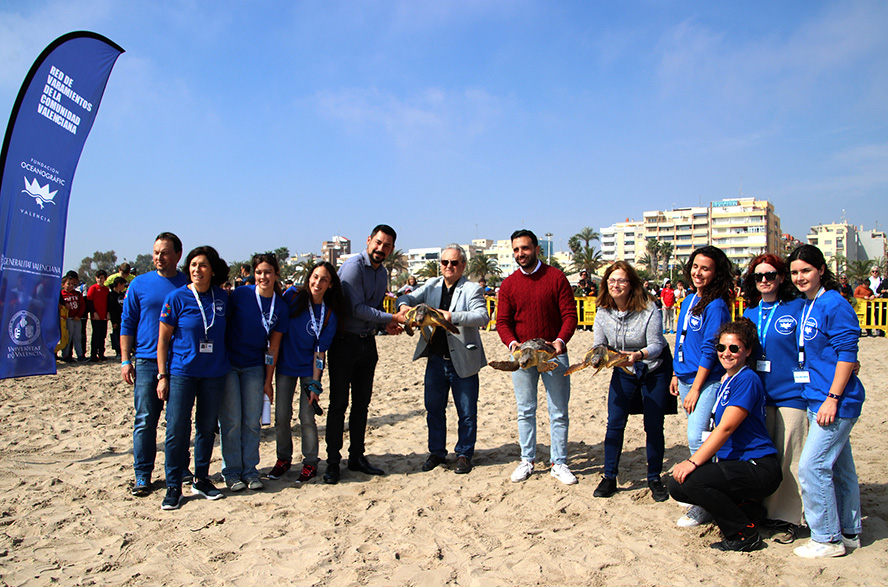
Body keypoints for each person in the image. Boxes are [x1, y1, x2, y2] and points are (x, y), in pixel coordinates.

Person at [669, 319, 782, 552]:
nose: (726, 353)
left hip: (757, 465)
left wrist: (692, 461)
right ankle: (746, 509)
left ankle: (743, 533)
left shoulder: (747, 379)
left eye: (734, 348)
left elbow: (726, 428)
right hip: (737, 463)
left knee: (693, 480)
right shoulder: (728, 379)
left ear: (747, 351)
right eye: (721, 348)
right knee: (678, 486)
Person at [788, 245, 866, 558]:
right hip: (815, 395)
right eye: (794, 272)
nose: (800, 277)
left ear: (821, 269)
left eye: (805, 270)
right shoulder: (807, 303)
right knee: (840, 468)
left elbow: (848, 354)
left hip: (834, 401)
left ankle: (827, 538)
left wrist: (833, 398)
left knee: (812, 466)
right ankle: (849, 531)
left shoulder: (834, 302)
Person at [323, 224, 407, 484]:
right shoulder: (353, 266)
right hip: (344, 343)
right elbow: (356, 308)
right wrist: (392, 316)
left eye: (387, 246)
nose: (381, 249)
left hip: (367, 344)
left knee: (361, 404)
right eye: (378, 243)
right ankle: (333, 461)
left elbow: (376, 307)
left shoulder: (381, 273)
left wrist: (386, 323)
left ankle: (357, 456)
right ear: (369, 240)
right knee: (338, 404)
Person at [397, 244, 489, 474]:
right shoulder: (431, 285)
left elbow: (482, 316)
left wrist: (452, 316)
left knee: (466, 412)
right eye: (445, 262)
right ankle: (436, 452)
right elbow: (407, 295)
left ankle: (464, 454)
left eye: (454, 262)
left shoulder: (472, 289)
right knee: (433, 409)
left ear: (463, 265)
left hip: (464, 360)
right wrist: (404, 305)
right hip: (436, 360)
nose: (448, 266)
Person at [496, 229, 578, 485]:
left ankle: (559, 462)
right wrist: (512, 344)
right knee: (526, 410)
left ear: (537, 249)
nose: (521, 254)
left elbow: (569, 316)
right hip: (522, 357)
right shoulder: (509, 284)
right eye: (517, 249)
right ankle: (527, 459)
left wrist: (560, 342)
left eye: (525, 248)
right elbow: (502, 322)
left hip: (553, 354)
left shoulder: (556, 278)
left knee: (558, 411)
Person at [590, 261, 672, 502]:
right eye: (611, 280)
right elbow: (599, 344)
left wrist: (638, 356)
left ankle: (654, 478)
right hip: (623, 369)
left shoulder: (649, 309)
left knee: (653, 425)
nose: (616, 285)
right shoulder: (603, 312)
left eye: (621, 280)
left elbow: (657, 345)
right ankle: (609, 476)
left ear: (632, 284)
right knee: (615, 422)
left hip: (653, 368)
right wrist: (596, 357)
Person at [157, 245, 230, 510]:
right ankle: (174, 485)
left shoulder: (222, 298)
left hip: (214, 373)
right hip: (181, 373)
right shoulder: (176, 298)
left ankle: (201, 478)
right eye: (193, 265)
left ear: (212, 270)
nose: (197, 270)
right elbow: (163, 340)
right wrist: (162, 375)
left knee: (207, 428)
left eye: (203, 265)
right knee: (177, 429)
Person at [741, 254, 807, 543]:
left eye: (769, 275)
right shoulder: (750, 314)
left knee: (789, 458)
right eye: (758, 276)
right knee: (764, 459)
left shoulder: (798, 308)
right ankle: (761, 510)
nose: (764, 280)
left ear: (782, 277)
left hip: (792, 395)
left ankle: (787, 517)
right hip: (758, 396)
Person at [670, 245, 734, 527]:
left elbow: (711, 348)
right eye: (695, 266)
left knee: (699, 437)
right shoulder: (689, 299)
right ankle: (703, 492)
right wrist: (676, 372)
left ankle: (705, 500)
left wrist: (696, 386)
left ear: (716, 272)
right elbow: (682, 339)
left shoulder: (716, 304)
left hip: (706, 380)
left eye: (705, 268)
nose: (698, 272)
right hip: (685, 376)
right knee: (696, 435)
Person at [120, 233, 188, 498]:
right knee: (146, 419)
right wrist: (126, 360)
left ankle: (181, 468)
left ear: (178, 255)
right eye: (156, 252)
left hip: (181, 362)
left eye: (165, 252)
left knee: (178, 421)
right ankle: (142, 474)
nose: (158, 257)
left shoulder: (188, 283)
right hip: (147, 361)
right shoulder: (139, 284)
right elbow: (127, 324)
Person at [269, 262, 344, 483]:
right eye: (315, 277)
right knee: (282, 417)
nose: (317, 283)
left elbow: (320, 354)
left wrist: (315, 384)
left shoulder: (329, 314)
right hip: (284, 368)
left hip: (307, 370)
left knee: (307, 417)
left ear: (330, 285)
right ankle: (283, 459)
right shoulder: (292, 296)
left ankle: (310, 462)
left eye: (324, 280)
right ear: (308, 277)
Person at [219, 253, 289, 492]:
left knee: (251, 422)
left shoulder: (280, 306)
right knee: (231, 421)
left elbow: (274, 346)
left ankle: (250, 471)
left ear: (276, 274)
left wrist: (269, 380)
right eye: (259, 272)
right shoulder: (240, 295)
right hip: (228, 365)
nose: (263, 277)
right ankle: (231, 472)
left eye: (268, 272)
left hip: (254, 367)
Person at [59, 272, 86, 362]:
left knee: (77, 338)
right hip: (67, 319)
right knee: (68, 338)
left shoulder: (77, 294)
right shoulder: (61, 295)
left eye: (72, 284)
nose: (70, 286)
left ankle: (80, 355)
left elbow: (82, 306)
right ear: (63, 285)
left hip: (76, 319)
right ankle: (66, 355)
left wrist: (79, 315)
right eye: (68, 284)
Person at [87, 270, 110, 361]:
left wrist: (108, 312)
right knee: (95, 336)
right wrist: (93, 313)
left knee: (103, 336)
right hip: (95, 316)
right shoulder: (93, 288)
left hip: (104, 316)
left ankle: (101, 354)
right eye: (98, 278)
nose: (100, 280)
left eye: (101, 278)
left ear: (105, 279)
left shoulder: (106, 289)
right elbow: (89, 301)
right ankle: (93, 355)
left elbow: (108, 302)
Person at [107, 277, 127, 358]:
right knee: (116, 335)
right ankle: (118, 351)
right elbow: (111, 308)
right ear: (119, 285)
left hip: (123, 318)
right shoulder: (111, 295)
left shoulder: (122, 294)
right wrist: (114, 321)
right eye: (123, 285)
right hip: (116, 319)